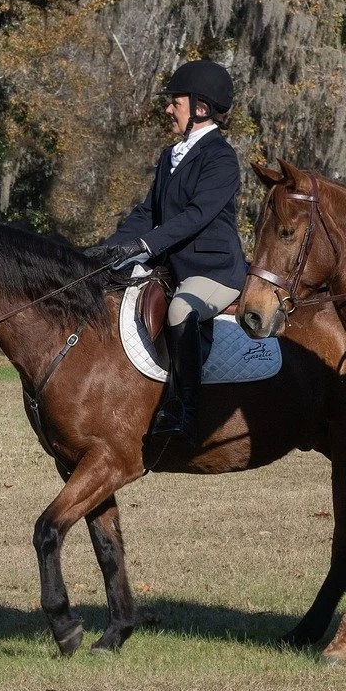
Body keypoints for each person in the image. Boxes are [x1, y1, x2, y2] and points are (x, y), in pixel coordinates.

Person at [101, 60, 250, 442]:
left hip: (214, 271)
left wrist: (145, 245)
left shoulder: (220, 158)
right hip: (173, 268)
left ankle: (186, 409)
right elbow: (147, 212)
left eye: (175, 102)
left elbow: (197, 216)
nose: (169, 108)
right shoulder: (171, 155)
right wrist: (107, 250)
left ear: (201, 107)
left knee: (182, 309)